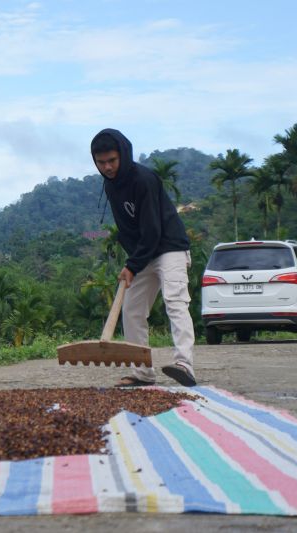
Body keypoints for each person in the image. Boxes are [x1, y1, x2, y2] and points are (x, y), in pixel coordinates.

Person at [91, 128, 196, 387]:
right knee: (132, 310)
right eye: (101, 162)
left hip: (169, 246)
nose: (107, 167)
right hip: (143, 253)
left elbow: (152, 229)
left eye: (112, 161)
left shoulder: (144, 179)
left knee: (175, 301)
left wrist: (132, 264)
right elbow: (127, 229)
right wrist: (134, 262)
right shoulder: (110, 185)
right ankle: (143, 373)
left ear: (123, 155)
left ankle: (184, 364)